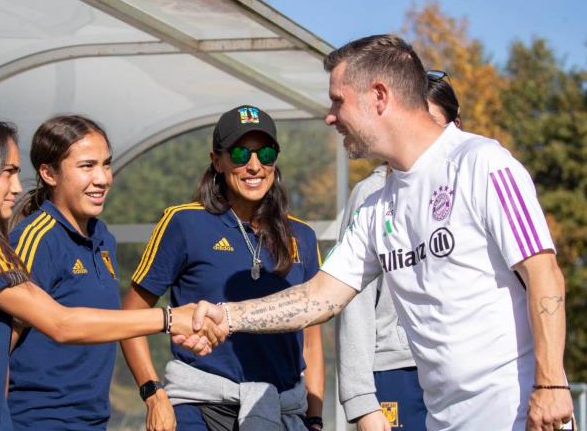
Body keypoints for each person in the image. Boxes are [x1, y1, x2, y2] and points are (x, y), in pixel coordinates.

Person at [186, 35, 573, 431]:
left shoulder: (482, 163)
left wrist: (550, 383)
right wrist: (227, 316)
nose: (330, 116)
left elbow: (544, 273)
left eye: (338, 100)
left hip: (519, 409)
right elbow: (320, 297)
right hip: (444, 416)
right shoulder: (375, 204)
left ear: (379, 96)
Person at [0, 114, 223, 430]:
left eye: (106, 164)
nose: (18, 188)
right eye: (8, 172)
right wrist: (168, 319)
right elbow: (61, 323)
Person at [121, 105, 325, 431]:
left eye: (266, 153)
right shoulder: (184, 222)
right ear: (217, 160)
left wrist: (314, 418)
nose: (254, 166)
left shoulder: (302, 235)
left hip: (281, 411)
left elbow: (312, 340)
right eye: (241, 153)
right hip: (198, 409)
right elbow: (130, 317)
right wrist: (153, 394)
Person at [337, 73, 462, 431]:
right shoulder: (370, 196)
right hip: (395, 372)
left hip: (460, 372)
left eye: (434, 124)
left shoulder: (474, 176)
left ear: (455, 126)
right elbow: (349, 300)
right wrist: (361, 400)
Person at [6, 115, 123, 429]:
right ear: (49, 173)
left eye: (106, 164)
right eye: (87, 166)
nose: (102, 178)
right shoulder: (37, 239)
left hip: (93, 420)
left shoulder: (103, 238)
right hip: (38, 420)